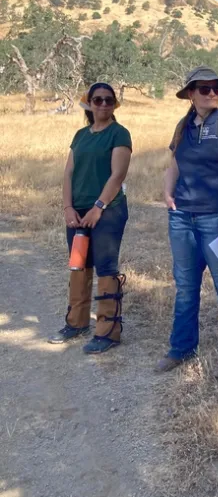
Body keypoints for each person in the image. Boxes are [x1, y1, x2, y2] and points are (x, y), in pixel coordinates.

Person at [155, 66, 218, 375]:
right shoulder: (182, 126)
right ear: (190, 94)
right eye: (204, 88)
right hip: (182, 218)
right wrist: (168, 195)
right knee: (185, 286)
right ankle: (181, 348)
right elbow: (174, 164)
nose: (212, 93)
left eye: (216, 88)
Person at [48, 82, 132, 354]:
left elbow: (117, 175)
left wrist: (99, 207)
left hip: (108, 211)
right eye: (98, 100)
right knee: (79, 265)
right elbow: (68, 173)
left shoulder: (119, 134)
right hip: (78, 211)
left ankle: (108, 331)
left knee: (106, 267)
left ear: (114, 104)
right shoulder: (81, 135)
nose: (104, 104)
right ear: (90, 104)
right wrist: (68, 208)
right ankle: (76, 323)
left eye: (109, 100)